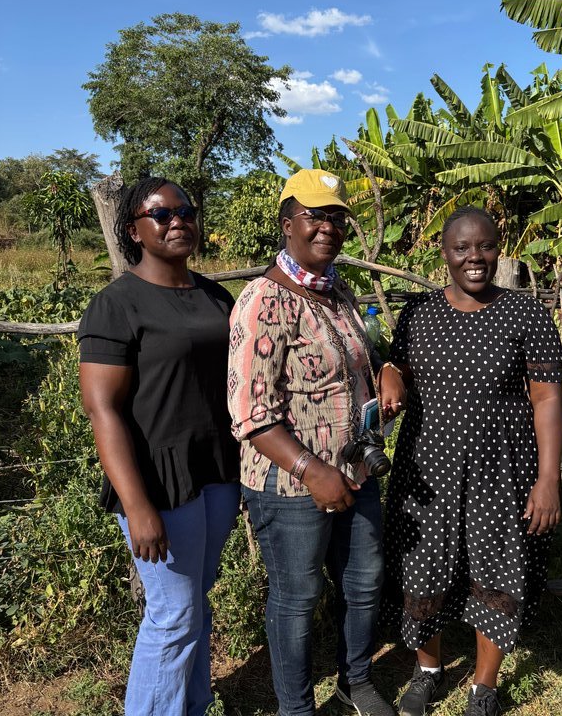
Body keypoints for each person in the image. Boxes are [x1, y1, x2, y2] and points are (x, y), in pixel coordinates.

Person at [227, 169, 403, 716]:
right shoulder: (262, 301)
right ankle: (296, 708)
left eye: (336, 217)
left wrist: (388, 365)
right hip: (289, 484)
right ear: (287, 224)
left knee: (364, 583)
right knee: (298, 599)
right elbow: (249, 414)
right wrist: (311, 469)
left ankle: (355, 680)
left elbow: (360, 358)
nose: (328, 227)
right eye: (315, 216)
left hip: (355, 472)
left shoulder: (339, 293)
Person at [380, 206, 562, 716]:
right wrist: (391, 371)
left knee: (498, 571)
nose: (474, 257)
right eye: (462, 248)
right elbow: (395, 365)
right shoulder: (418, 312)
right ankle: (429, 670)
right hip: (427, 471)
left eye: (484, 246)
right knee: (421, 569)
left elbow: (548, 399)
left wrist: (548, 480)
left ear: (498, 248)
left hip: (501, 472)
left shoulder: (525, 313)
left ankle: (484, 687)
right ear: (444, 252)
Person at [78, 177, 240, 716]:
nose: (177, 221)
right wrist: (137, 504)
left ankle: (192, 704)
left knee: (195, 603)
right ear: (135, 231)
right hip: (157, 478)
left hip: (215, 470)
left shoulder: (215, 296)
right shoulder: (117, 304)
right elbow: (104, 410)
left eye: (185, 210)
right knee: (171, 614)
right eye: (160, 214)